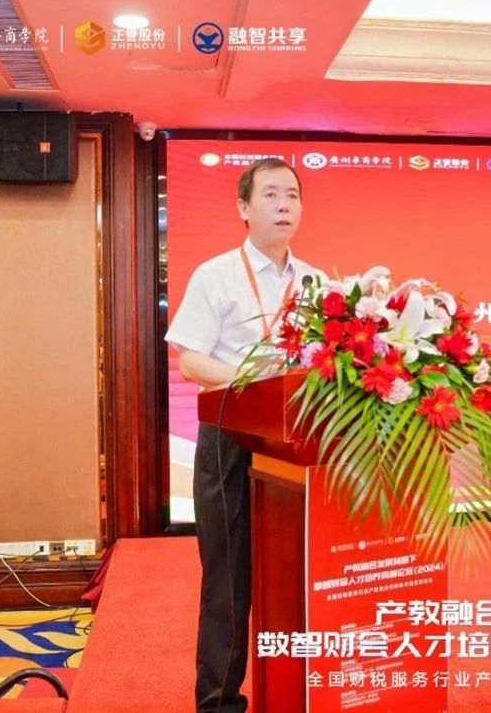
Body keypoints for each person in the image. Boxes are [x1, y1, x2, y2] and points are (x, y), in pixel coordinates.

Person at [165, 158, 320, 712]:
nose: (284, 204)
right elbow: (191, 361)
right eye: (272, 194)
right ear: (243, 208)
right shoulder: (216, 275)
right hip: (231, 435)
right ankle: (219, 702)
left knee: (297, 573)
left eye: (293, 195)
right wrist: (257, 383)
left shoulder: (316, 283)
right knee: (228, 580)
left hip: (296, 444)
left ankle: (297, 695)